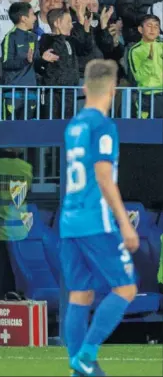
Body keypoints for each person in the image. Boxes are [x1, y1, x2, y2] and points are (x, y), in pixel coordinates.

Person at [60, 59, 139, 377]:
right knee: (126, 288)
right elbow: (104, 177)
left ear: (83, 89)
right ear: (113, 89)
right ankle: (86, 356)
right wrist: (124, 223)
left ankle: (79, 368)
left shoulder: (74, 125)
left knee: (80, 294)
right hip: (96, 221)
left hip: (69, 221)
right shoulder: (103, 126)